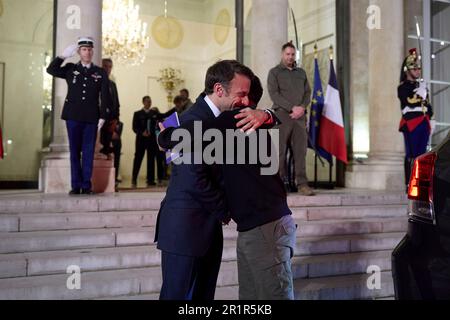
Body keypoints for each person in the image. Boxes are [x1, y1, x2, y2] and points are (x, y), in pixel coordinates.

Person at [158, 76, 297, 300]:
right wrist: (267, 114)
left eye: (242, 95)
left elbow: (175, 137)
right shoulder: (249, 123)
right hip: (256, 227)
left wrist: (163, 135)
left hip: (265, 227)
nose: (237, 99)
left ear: (248, 103)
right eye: (238, 93)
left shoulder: (233, 120)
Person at [46, 37, 108, 195]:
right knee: (74, 152)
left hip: (91, 118)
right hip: (73, 116)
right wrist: (62, 56)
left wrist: (102, 116)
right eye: (84, 49)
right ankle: (75, 185)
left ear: (92, 51)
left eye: (89, 49)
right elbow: (51, 70)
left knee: (88, 152)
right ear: (79, 52)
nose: (87, 52)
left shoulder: (100, 72)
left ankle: (86, 185)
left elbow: (105, 95)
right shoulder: (70, 68)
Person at [268, 41, 315, 196]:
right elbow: (274, 94)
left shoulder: (301, 73)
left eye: (293, 54)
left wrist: (301, 107)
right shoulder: (274, 72)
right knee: (279, 151)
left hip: (300, 117)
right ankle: (278, 185)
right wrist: (291, 108)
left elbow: (308, 93)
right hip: (282, 115)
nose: (290, 57)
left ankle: (302, 184)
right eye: (287, 54)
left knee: (300, 152)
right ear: (282, 55)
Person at [398, 48, 433, 186]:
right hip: (411, 123)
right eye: (415, 69)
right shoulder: (403, 87)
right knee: (411, 155)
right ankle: (409, 183)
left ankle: (421, 183)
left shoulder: (421, 86)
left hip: (424, 122)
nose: (418, 71)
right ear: (407, 70)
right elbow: (408, 102)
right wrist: (420, 94)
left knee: (422, 155)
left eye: (419, 69)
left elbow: (428, 106)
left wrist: (431, 117)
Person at [131, 96, 174, 188]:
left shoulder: (153, 113)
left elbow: (164, 115)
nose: (149, 103)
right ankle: (134, 178)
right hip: (141, 140)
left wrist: (175, 108)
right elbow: (134, 127)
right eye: (147, 101)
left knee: (151, 160)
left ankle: (150, 180)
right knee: (138, 159)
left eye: (150, 101)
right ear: (143, 102)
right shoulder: (137, 114)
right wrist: (142, 132)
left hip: (151, 141)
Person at [99, 58, 121, 157]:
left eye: (110, 67)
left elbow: (116, 104)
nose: (107, 69)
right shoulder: (96, 82)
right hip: (99, 122)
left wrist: (115, 121)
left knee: (116, 148)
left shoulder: (112, 84)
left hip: (112, 122)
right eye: (105, 66)